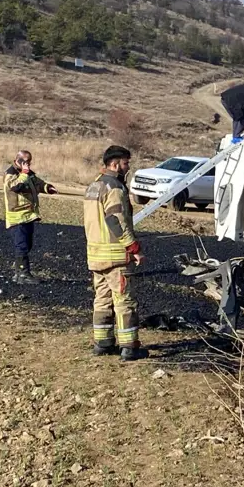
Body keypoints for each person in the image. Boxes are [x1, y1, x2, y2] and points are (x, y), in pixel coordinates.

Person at [84, 145, 148, 361]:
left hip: (96, 254)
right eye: (125, 163)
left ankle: (103, 343)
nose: (127, 167)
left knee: (101, 300)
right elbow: (115, 220)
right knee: (124, 301)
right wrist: (134, 248)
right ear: (114, 164)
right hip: (115, 256)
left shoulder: (94, 186)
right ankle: (129, 347)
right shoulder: (114, 188)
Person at [3, 150, 57, 284]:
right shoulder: (10, 174)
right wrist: (24, 174)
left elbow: (37, 183)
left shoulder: (28, 174)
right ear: (18, 160)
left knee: (27, 244)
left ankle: (18, 273)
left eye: (29, 162)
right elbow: (15, 187)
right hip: (17, 217)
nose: (28, 164)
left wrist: (47, 188)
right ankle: (23, 274)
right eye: (25, 161)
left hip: (28, 216)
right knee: (21, 245)